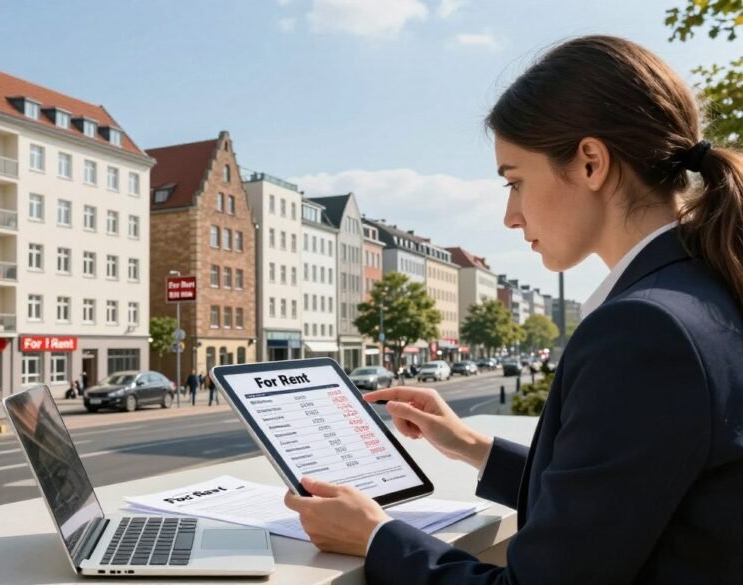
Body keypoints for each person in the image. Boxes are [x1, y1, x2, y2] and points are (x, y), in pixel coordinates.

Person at [283, 36, 743, 583]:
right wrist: (471, 446)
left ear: (591, 163)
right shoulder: (703, 289)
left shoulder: (645, 330)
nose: (509, 215)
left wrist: (378, 537)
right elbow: (621, 495)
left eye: (515, 181)